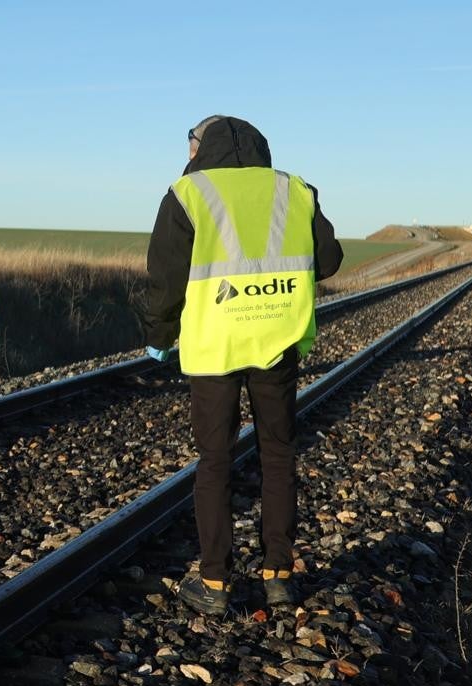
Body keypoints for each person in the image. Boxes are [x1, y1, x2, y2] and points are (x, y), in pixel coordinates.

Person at [144, 115, 343, 615]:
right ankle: (278, 575)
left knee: (215, 462)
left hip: (214, 347)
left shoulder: (187, 193)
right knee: (278, 454)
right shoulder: (296, 191)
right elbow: (330, 259)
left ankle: (214, 583)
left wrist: (160, 337)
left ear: (199, 146)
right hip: (276, 340)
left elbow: (165, 279)